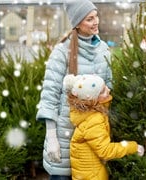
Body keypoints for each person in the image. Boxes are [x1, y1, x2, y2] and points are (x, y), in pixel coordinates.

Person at [36, 0, 112, 179]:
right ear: (77, 23)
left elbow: (109, 88)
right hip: (65, 134)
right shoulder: (61, 52)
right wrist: (52, 137)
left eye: (96, 16)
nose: (96, 22)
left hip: (92, 136)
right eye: (89, 19)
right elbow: (49, 96)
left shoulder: (103, 50)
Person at [63, 74, 145, 180]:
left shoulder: (89, 113)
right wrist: (132, 147)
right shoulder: (93, 120)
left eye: (105, 86)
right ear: (92, 99)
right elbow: (104, 151)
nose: (108, 90)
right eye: (102, 91)